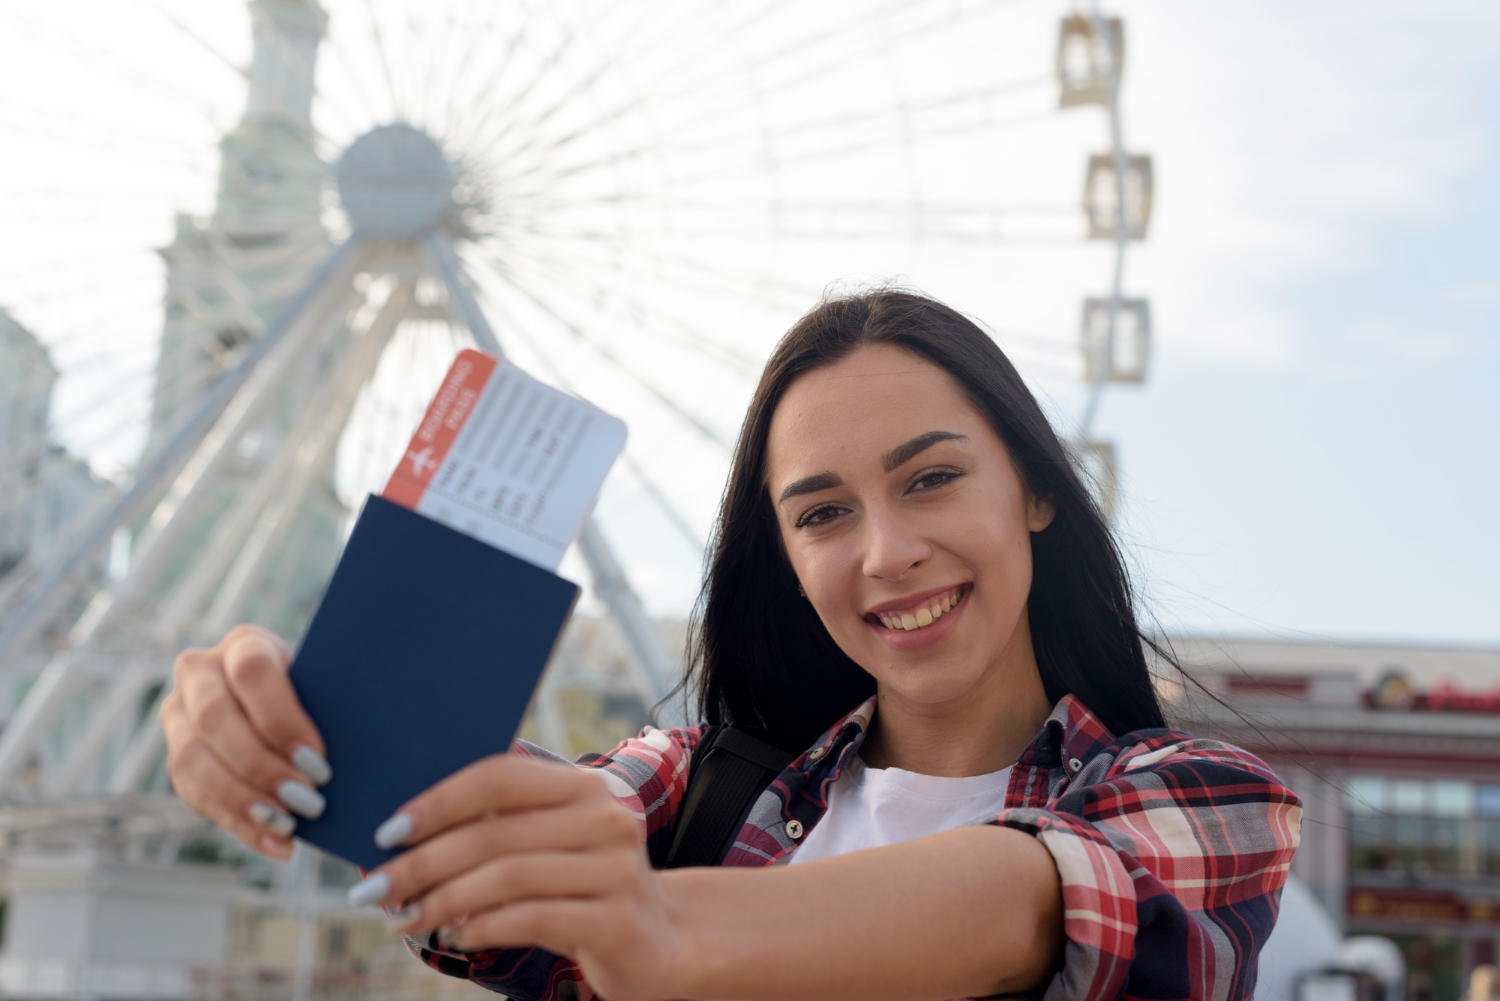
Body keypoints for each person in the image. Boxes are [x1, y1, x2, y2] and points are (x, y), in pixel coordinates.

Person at [161, 289, 1302, 1000]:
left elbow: (1033, 898)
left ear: (1038, 490)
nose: (888, 551)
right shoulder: (692, 787)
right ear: (787, 557)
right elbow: (490, 820)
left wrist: (662, 929)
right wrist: (293, 725)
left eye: (932, 478)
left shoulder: (1208, 800)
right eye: (824, 512)